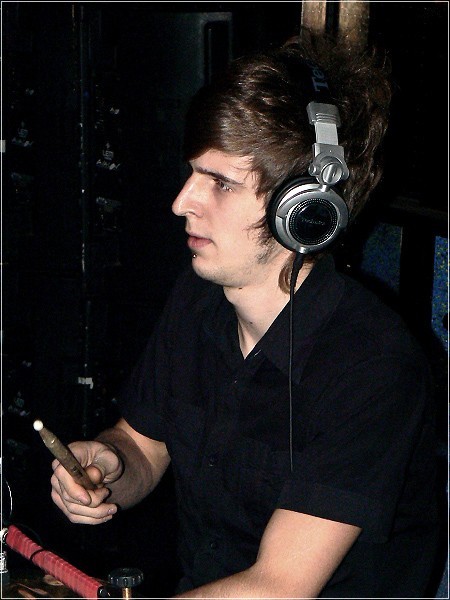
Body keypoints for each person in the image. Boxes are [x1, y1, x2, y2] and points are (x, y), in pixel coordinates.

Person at [50, 31, 440, 598]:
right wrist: (109, 465)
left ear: (304, 211)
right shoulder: (199, 299)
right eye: (193, 172)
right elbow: (144, 446)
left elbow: (277, 587)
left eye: (221, 183)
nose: (182, 202)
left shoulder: (373, 366)